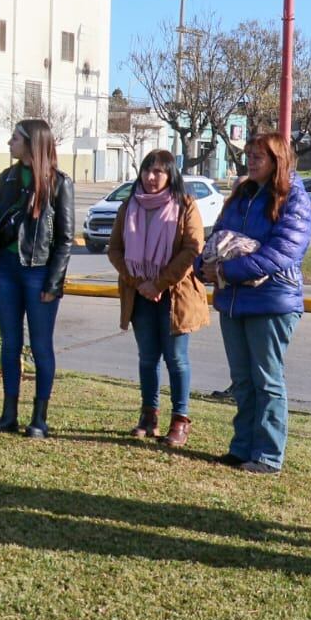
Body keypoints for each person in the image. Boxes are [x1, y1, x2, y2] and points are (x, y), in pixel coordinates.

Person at [197, 132, 311, 475]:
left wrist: (227, 270)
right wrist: (202, 266)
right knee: (243, 380)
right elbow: (216, 237)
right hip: (233, 301)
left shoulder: (294, 199)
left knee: (267, 379)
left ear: (278, 160)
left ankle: (267, 454)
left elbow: (283, 252)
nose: (251, 161)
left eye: (258, 156)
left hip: (272, 301)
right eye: (249, 155)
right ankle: (242, 447)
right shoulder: (241, 196)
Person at [105, 149, 209, 446]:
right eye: (147, 170)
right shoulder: (129, 205)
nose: (151, 178)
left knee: (176, 359)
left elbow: (192, 248)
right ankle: (148, 415)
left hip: (175, 294)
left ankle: (180, 419)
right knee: (148, 358)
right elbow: (115, 249)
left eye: (159, 172)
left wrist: (159, 283)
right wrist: (138, 281)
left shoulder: (185, 205)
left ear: (170, 174)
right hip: (139, 293)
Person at [0, 119, 74, 438]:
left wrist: (53, 283)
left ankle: (39, 418)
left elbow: (64, 239)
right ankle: (8, 414)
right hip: (6, 270)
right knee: (10, 344)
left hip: (39, 272)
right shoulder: (5, 178)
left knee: (41, 346)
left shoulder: (59, 183)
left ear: (32, 142)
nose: (10, 143)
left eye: (15, 138)